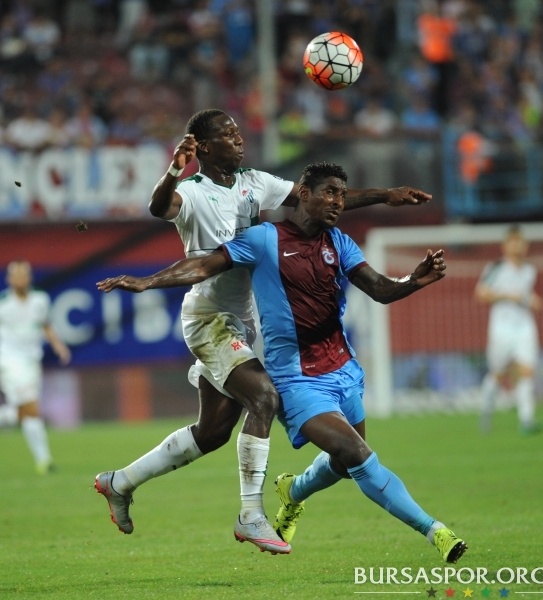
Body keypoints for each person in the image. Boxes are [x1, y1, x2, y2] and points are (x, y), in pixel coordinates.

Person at [93, 109, 434, 555]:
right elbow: (161, 208)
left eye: (238, 132)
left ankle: (119, 482)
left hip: (246, 319)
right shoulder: (192, 192)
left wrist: (385, 196)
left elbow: (318, 199)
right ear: (204, 146)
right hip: (211, 318)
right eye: (228, 134)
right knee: (264, 397)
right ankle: (251, 515)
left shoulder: (256, 182)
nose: (239, 139)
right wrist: (174, 174)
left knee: (213, 432)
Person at [0, 260, 71, 473]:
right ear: (9, 279)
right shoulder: (3, 303)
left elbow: (46, 325)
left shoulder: (41, 299)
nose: (20, 279)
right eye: (16, 275)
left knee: (27, 413)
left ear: (29, 277)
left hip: (32, 361)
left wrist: (58, 345)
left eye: (24, 275)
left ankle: (44, 461)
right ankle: (44, 460)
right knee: (31, 408)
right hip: (9, 361)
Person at [474, 225, 543, 434]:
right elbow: (480, 294)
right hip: (501, 328)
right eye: (513, 242)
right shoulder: (496, 268)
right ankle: (486, 410)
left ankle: (527, 420)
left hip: (524, 326)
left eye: (520, 242)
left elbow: (525, 295)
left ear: (526, 246)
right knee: (498, 374)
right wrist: (506, 296)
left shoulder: (530, 270)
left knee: (527, 371)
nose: (517, 246)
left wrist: (533, 300)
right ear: (505, 246)